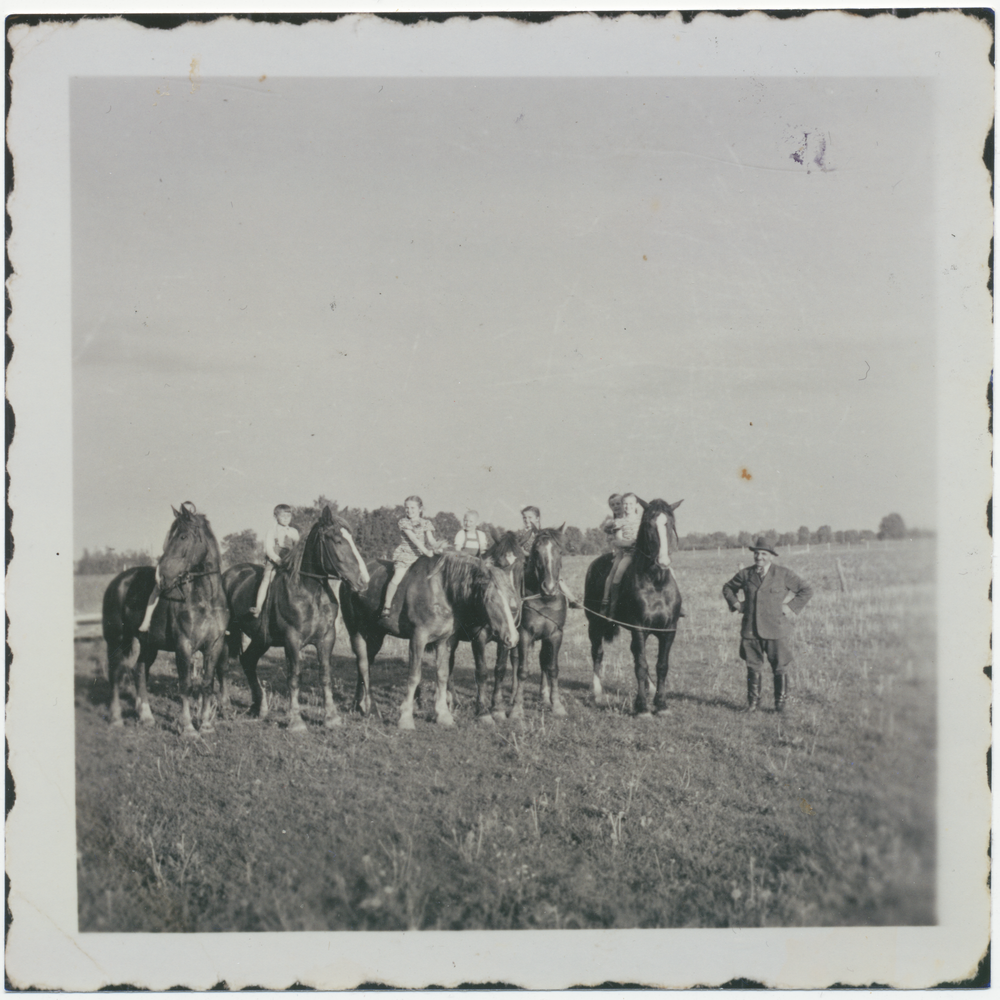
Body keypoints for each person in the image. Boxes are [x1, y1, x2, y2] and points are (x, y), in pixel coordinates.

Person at [722, 536, 813, 713]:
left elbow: (806, 590)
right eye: (756, 554)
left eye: (764, 554)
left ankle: (780, 706)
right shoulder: (745, 574)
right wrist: (736, 604)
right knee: (752, 667)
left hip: (776, 629)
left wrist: (790, 607)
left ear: (771, 556)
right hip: (751, 630)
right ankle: (753, 704)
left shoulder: (783, 574)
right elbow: (727, 588)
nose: (759, 557)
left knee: (779, 667)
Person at [379, 495, 443, 625]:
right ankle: (387, 605)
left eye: (412, 508)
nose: (409, 511)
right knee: (397, 577)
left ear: (420, 509)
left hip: (421, 557)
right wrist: (425, 551)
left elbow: (430, 539)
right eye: (407, 508)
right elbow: (413, 539)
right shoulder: (403, 522)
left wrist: (437, 548)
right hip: (406, 555)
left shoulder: (426, 523)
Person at [138, 500, 198, 634]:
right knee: (157, 590)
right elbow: (165, 548)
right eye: (184, 511)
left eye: (189, 511)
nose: (187, 514)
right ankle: (146, 620)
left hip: (188, 565)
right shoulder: (174, 529)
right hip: (172, 563)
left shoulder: (195, 528)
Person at [516, 504, 581, 609]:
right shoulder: (520, 534)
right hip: (526, 563)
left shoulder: (542, 533)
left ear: (537, 518)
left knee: (555, 577)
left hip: (540, 562)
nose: (526, 520)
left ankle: (571, 599)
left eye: (530, 517)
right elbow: (518, 549)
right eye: (524, 517)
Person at [250, 504, 300, 616]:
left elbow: (298, 548)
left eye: (289, 515)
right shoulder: (272, 532)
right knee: (267, 578)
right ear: (276, 517)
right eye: (283, 516)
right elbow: (268, 549)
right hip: (275, 561)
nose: (286, 518)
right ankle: (258, 606)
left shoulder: (294, 532)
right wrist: (277, 560)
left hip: (291, 561)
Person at [600, 492, 644, 616]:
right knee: (617, 572)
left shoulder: (642, 519)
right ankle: (610, 604)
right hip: (628, 553)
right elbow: (618, 541)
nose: (626, 506)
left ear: (636, 505)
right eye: (625, 504)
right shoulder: (618, 521)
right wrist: (633, 543)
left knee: (666, 568)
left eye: (630, 504)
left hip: (644, 553)